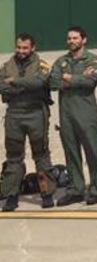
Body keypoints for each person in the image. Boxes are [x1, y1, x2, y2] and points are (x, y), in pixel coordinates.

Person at [49, 26, 97, 207]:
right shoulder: (61, 61)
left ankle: (96, 189)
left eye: (75, 38)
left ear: (84, 40)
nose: (71, 41)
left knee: (93, 152)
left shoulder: (94, 60)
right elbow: (53, 82)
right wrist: (76, 77)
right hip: (66, 115)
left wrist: (68, 77)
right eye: (69, 38)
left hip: (86, 114)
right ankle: (76, 189)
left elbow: (90, 83)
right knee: (71, 153)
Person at [0, 34, 56, 211]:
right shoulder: (7, 65)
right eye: (18, 47)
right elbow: (2, 86)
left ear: (33, 48)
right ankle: (11, 195)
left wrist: (15, 82)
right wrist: (25, 86)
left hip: (36, 113)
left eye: (25, 48)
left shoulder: (42, 65)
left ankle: (46, 193)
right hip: (14, 114)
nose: (21, 51)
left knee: (40, 153)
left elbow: (40, 82)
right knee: (14, 156)